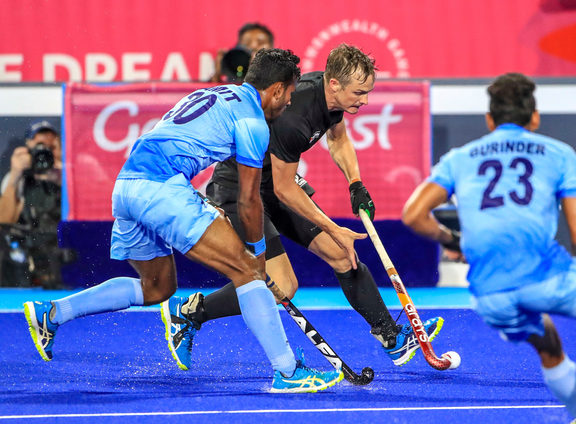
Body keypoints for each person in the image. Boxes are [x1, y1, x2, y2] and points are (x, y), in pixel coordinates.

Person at [23, 48, 344, 393]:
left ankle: (53, 313)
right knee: (247, 271)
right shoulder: (253, 121)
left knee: (157, 287)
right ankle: (288, 371)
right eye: (290, 95)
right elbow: (249, 200)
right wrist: (257, 254)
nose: (288, 105)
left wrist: (200, 205)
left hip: (128, 187)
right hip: (162, 187)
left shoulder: (216, 93)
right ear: (277, 89)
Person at [164, 44, 444, 372]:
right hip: (241, 190)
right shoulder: (296, 115)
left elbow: (338, 140)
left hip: (276, 186)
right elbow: (284, 189)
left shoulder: (333, 100)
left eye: (367, 92)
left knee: (342, 254)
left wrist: (355, 182)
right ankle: (190, 312)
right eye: (360, 93)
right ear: (335, 83)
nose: (365, 100)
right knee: (282, 283)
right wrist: (331, 225)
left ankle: (391, 338)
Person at [402, 72, 576, 418]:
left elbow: (413, 214)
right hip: (548, 279)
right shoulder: (559, 154)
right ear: (535, 117)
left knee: (549, 346)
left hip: (491, 295)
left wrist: (453, 241)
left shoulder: (461, 157)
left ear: (489, 120)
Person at [0, 120, 64, 288]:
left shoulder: (66, 174)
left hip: (61, 258)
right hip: (27, 259)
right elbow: (4, 220)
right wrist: (15, 175)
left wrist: (63, 172)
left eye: (50, 147)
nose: (44, 152)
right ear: (28, 147)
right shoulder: (20, 178)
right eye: (39, 145)